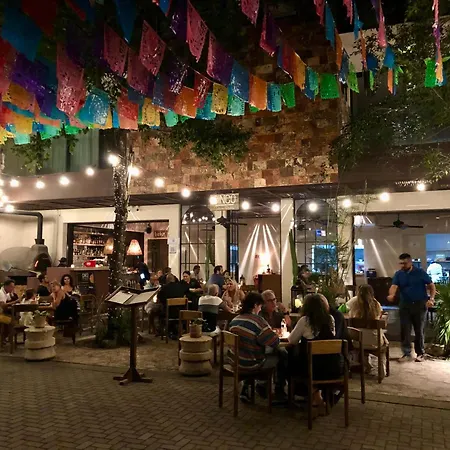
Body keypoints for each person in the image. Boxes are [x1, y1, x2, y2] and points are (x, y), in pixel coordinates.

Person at [229, 292, 287, 402]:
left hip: (235, 362)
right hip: (251, 365)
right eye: (260, 306)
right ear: (255, 305)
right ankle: (276, 390)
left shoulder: (235, 320)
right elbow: (274, 342)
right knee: (281, 354)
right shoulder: (258, 321)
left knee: (253, 352)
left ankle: (249, 387)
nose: (260, 309)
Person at [287, 293, 340, 409]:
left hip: (309, 369)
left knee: (290, 358)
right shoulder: (330, 319)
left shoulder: (304, 321)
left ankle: (309, 395)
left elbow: (292, 340)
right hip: (331, 366)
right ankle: (317, 397)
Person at [388, 253, 436, 363]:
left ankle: (420, 353)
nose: (402, 265)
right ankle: (406, 353)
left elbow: (431, 285)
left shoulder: (420, 272)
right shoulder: (399, 274)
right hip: (405, 305)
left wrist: (431, 299)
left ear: (410, 262)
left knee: (419, 330)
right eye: (401, 263)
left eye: (404, 263)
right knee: (405, 330)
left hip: (419, 305)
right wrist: (391, 294)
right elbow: (394, 286)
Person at [347, 284, 388, 372]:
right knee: (382, 339)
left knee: (358, 334)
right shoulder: (376, 304)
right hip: (375, 342)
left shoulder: (353, 302)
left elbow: (344, 309)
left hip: (358, 342)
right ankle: (381, 365)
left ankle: (365, 364)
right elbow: (380, 316)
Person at [157, 274, 189, 338]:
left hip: (169, 313)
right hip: (180, 312)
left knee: (159, 312)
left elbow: (160, 300)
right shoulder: (180, 287)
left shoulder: (164, 288)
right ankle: (176, 330)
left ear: (167, 280)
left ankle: (162, 331)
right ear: (174, 279)